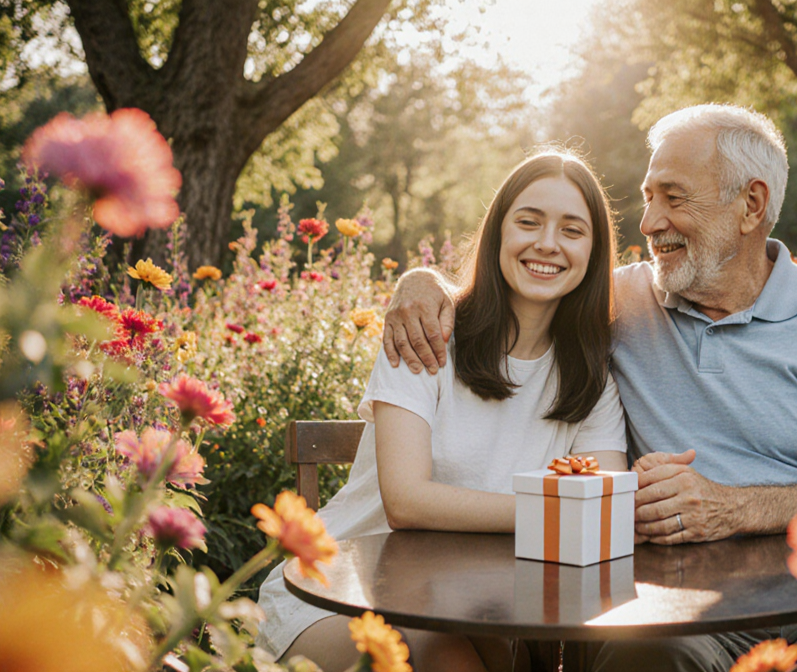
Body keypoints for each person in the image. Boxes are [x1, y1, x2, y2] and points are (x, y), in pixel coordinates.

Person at [382, 104, 797, 671]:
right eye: (647, 198)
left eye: (673, 197)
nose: (648, 223)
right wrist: (421, 280)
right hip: (681, 603)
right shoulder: (618, 302)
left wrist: (734, 508)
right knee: (645, 657)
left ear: (751, 204)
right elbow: (528, 279)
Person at [255, 152, 629, 672]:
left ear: (594, 250)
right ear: (497, 232)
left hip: (482, 603)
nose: (547, 243)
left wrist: (583, 514)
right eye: (528, 221)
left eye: (572, 229)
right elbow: (406, 502)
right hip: (343, 591)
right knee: (455, 661)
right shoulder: (426, 332)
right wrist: (558, 515)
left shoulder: (589, 378)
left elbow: (602, 510)